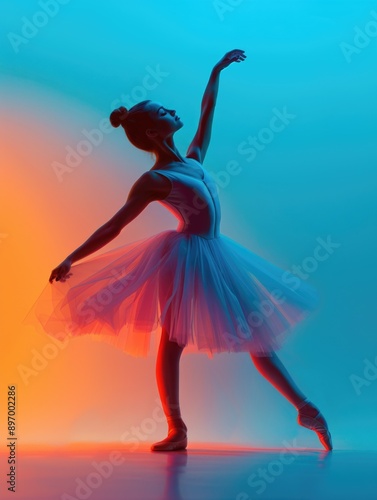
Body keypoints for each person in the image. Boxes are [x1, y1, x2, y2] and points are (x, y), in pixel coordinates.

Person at [29, 49, 332, 452]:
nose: (172, 110)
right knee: (173, 342)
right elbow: (115, 225)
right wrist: (72, 256)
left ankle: (305, 408)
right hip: (185, 259)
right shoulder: (154, 179)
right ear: (154, 133)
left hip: (216, 255)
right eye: (162, 112)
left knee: (256, 335)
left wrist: (216, 72)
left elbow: (207, 113)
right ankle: (177, 428)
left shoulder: (193, 159)